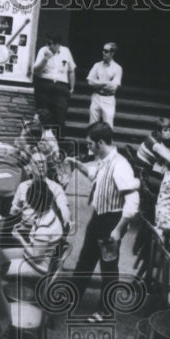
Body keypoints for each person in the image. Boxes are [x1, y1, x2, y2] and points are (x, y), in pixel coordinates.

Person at [65, 122, 140, 323]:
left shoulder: (120, 166)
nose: (88, 148)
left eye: (90, 144)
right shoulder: (105, 160)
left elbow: (133, 201)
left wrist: (118, 230)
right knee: (85, 261)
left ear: (100, 142)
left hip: (111, 222)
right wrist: (78, 165)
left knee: (108, 268)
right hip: (99, 218)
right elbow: (96, 177)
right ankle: (72, 299)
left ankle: (106, 311)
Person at [6, 175, 68, 275]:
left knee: (0, 268)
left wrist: (20, 238)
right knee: (1, 255)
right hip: (36, 256)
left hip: (37, 267)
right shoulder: (48, 213)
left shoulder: (44, 227)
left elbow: (37, 257)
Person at [10, 151, 72, 227]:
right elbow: (14, 209)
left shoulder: (55, 187)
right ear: (30, 166)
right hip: (26, 228)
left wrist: (67, 220)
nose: (41, 165)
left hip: (45, 228)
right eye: (37, 163)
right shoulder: (23, 186)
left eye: (43, 162)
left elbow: (63, 207)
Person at [29, 34, 76, 131]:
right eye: (47, 43)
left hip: (60, 87)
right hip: (45, 85)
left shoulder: (66, 51)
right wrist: (45, 59)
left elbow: (71, 71)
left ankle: (58, 144)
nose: (48, 46)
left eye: (50, 43)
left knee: (60, 117)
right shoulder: (43, 50)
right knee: (43, 116)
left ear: (57, 44)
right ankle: (42, 143)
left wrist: (72, 87)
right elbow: (36, 71)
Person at [86, 42, 123, 127]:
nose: (103, 52)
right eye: (103, 50)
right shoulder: (97, 65)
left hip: (108, 99)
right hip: (96, 97)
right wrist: (106, 83)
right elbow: (90, 82)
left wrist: (97, 83)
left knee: (108, 126)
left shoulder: (118, 68)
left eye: (106, 51)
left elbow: (113, 88)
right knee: (92, 125)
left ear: (112, 53)